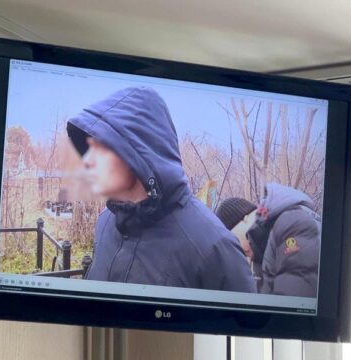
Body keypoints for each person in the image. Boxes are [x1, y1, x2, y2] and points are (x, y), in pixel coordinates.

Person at [66, 86, 256, 293]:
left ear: (136, 152)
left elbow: (245, 324)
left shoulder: (213, 247)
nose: (88, 161)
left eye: (100, 148)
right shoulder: (106, 223)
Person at [215, 183, 321, 298]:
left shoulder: (290, 224)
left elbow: (294, 301)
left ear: (244, 219)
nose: (236, 249)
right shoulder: (264, 246)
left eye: (233, 239)